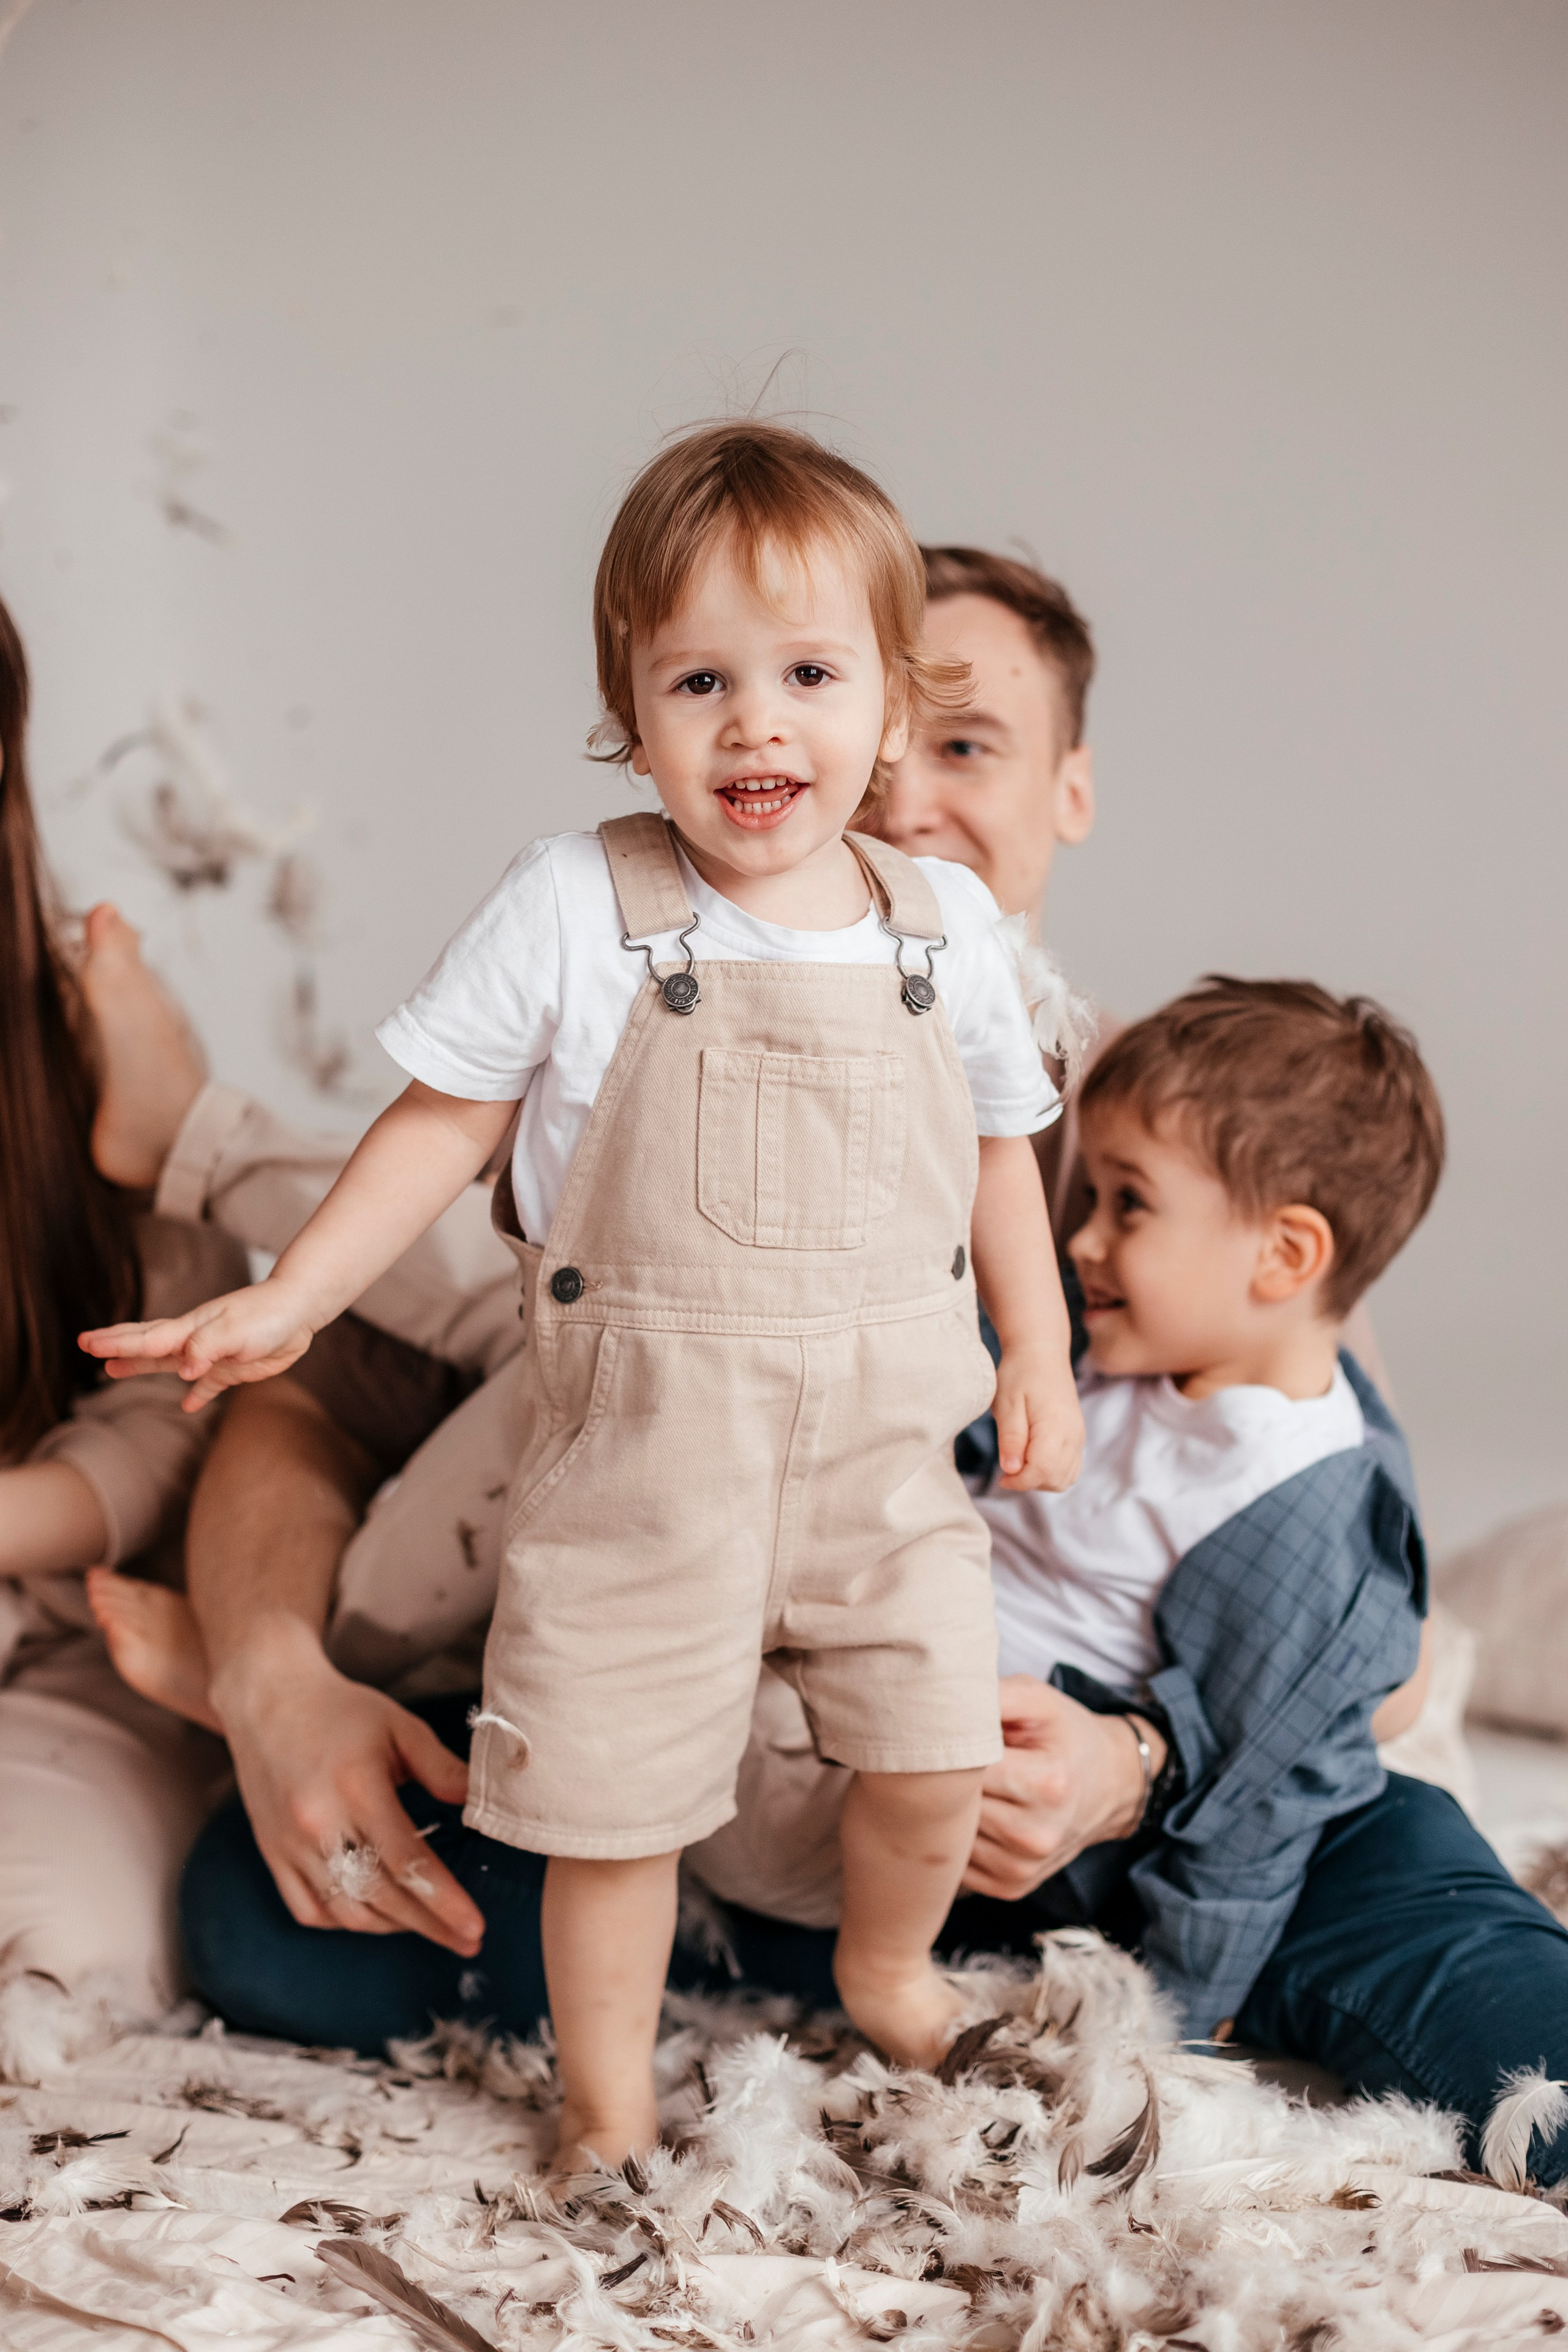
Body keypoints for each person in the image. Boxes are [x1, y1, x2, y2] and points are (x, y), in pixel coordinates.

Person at [77, 541, 1568, 2184]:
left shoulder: (1197, 1135)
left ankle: (905, 1967)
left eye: (968, 744)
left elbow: (1360, 1619)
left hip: (1103, 1783)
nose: (904, 795)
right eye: (852, 714)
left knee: (1490, 2014)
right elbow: (335, 1370)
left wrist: (1127, 1770)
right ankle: (742, 1974)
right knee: (269, 1913)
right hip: (725, 1693)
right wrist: (272, 1666)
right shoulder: (651, 985)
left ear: (1071, 790)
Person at [79, 422, 1085, 2167]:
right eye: (701, 678)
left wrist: (1048, 1358)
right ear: (630, 713)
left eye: (808, 675)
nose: (757, 721)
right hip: (640, 1464)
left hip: (882, 1468)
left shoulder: (945, 934)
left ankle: (890, 1967)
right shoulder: (576, 904)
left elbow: (1005, 1155)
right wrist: (299, 1298)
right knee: (609, 1819)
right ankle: (608, 2104)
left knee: (930, 1752)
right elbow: (435, 1128)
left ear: (887, 712)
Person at [695, 976, 1443, 2040]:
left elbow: (1260, 1799)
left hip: (912, 1788)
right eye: (1090, 1198)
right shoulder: (1134, 1356)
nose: (1083, 1240)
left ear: (1285, 1256)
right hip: (857, 1659)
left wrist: (1176, 2018)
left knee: (666, 1721)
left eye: (1127, 1204)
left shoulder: (1300, 1499)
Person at [0, 591, 243, 2018]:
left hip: (58, 1633)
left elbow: (183, 1391)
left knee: (64, 1950)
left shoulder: (89, 1020)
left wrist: (27, 1516)